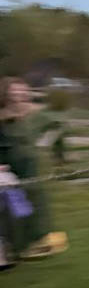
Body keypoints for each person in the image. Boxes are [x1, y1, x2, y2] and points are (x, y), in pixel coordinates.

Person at [0, 78, 69, 261]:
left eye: (22, 91)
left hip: (31, 168)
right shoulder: (3, 117)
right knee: (13, 207)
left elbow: (58, 127)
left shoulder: (36, 114)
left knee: (35, 202)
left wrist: (49, 146)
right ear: (6, 93)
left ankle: (37, 243)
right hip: (8, 170)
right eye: (14, 91)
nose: (18, 95)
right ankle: (15, 248)